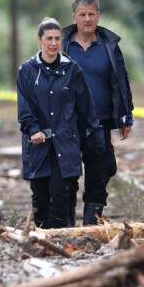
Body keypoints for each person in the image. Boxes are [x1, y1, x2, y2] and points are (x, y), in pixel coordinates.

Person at [17, 17, 104, 228]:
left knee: (61, 194)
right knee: (39, 197)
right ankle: (41, 239)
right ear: (39, 40)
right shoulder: (27, 71)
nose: (53, 43)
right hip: (38, 145)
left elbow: (86, 110)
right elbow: (24, 107)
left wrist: (96, 141)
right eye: (49, 39)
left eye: (57, 38)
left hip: (66, 143)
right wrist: (33, 129)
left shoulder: (72, 70)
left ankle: (60, 242)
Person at [62, 0, 135, 225]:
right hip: (68, 123)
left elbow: (121, 81)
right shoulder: (62, 45)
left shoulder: (109, 46)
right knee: (67, 177)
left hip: (100, 121)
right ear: (74, 17)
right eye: (82, 14)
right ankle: (66, 225)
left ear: (98, 16)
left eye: (91, 14)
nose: (87, 19)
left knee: (99, 173)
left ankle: (91, 225)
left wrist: (125, 116)